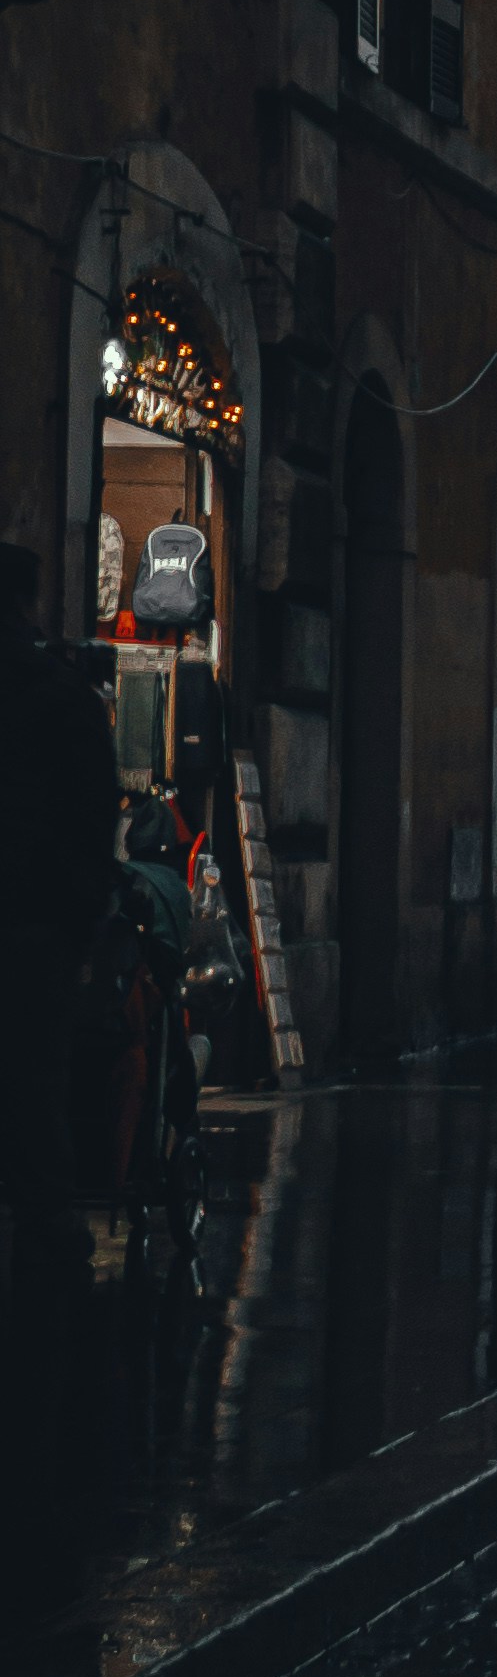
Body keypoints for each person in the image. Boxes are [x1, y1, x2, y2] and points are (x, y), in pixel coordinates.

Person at [0, 542, 122, 1264]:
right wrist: (81, 921)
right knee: (32, 1082)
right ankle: (48, 1243)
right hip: (37, 923)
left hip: (36, 914)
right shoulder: (59, 688)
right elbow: (91, 809)